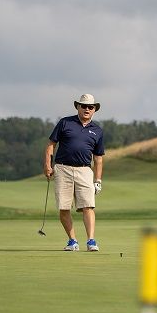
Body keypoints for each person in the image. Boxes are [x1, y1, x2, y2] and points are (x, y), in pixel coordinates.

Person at [43, 94, 105, 252]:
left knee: (88, 206)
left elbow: (98, 158)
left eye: (90, 107)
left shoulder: (97, 130)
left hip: (84, 170)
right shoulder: (65, 123)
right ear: (78, 107)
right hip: (63, 168)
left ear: (94, 110)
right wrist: (48, 165)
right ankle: (72, 241)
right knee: (64, 208)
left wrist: (98, 180)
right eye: (83, 106)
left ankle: (91, 241)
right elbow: (51, 145)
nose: (86, 109)